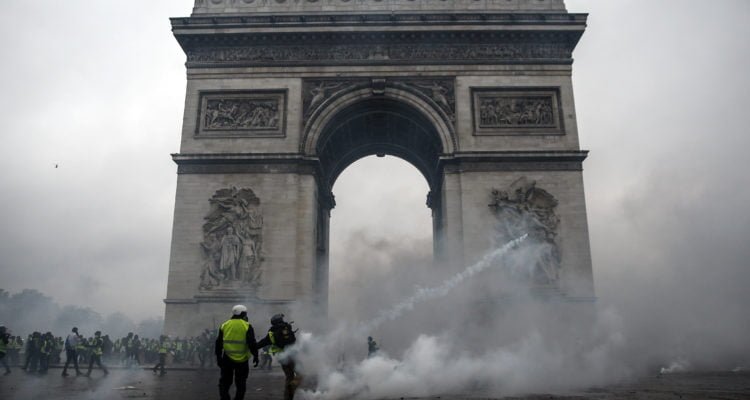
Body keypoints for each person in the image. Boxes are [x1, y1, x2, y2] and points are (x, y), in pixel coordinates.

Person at [215, 304, 259, 400]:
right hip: (242, 360)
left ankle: (225, 398)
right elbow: (252, 343)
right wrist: (256, 356)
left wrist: (218, 357)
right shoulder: (247, 326)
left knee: (224, 383)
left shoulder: (224, 325)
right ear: (243, 313)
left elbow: (218, 343)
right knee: (241, 383)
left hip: (227, 358)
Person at [257, 314, 299, 400]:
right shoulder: (286, 329)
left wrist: (253, 346)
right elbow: (293, 341)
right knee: (301, 374)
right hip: (292, 357)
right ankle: (291, 387)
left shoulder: (271, 332)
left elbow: (263, 342)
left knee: (289, 376)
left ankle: (288, 396)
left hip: (282, 358)